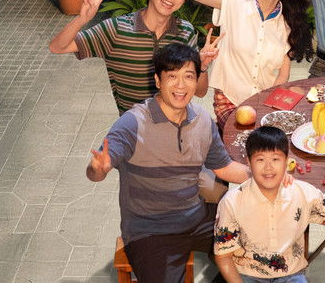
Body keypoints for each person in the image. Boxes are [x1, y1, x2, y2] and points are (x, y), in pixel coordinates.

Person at [86, 43, 251, 283]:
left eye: (188, 76)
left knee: (259, 251)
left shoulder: (202, 120)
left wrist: (262, 174)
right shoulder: (133, 123)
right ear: (158, 80)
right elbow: (97, 171)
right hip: (150, 232)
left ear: (197, 81)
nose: (181, 85)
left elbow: (223, 167)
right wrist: (98, 169)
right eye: (172, 76)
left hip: (197, 219)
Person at [113, 0, 313, 127]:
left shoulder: (289, 23)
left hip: (266, 103)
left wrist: (269, 106)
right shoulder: (233, 3)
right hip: (229, 99)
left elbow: (283, 74)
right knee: (240, 147)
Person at [48, 0, 216, 114]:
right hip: (134, 130)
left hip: (176, 126)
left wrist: (201, 66)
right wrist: (81, 19)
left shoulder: (185, 32)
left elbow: (200, 92)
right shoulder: (116, 29)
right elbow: (57, 47)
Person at [214, 126, 325, 282]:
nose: (268, 167)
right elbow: (223, 257)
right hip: (247, 274)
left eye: (275, 159)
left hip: (291, 274)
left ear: (286, 161)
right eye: (260, 159)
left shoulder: (302, 192)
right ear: (248, 162)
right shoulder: (231, 202)